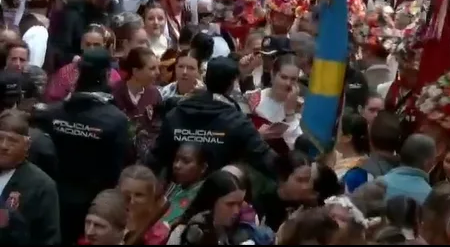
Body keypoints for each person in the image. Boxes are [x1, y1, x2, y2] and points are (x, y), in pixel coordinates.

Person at [35, 48, 130, 245]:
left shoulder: (53, 114)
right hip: (92, 211)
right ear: (107, 75)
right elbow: (116, 169)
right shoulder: (116, 120)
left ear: (78, 73)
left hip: (52, 201)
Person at [146, 56, 276, 178]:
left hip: (176, 195)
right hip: (220, 193)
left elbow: (155, 159)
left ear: (205, 78)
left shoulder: (175, 113)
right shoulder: (238, 121)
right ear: (232, 83)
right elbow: (267, 161)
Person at [0, 109, 60, 244]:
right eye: (0, 138)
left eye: (12, 141)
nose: (4, 146)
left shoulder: (41, 185)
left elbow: (49, 238)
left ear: (27, 145)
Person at [162, 143, 209, 226]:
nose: (177, 165)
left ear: (203, 168)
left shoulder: (204, 195)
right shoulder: (173, 188)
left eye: (186, 161)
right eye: (176, 160)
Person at [381, 133, 435, 204]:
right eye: (433, 159)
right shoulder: (430, 198)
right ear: (427, 163)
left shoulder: (378, 184)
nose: (433, 163)